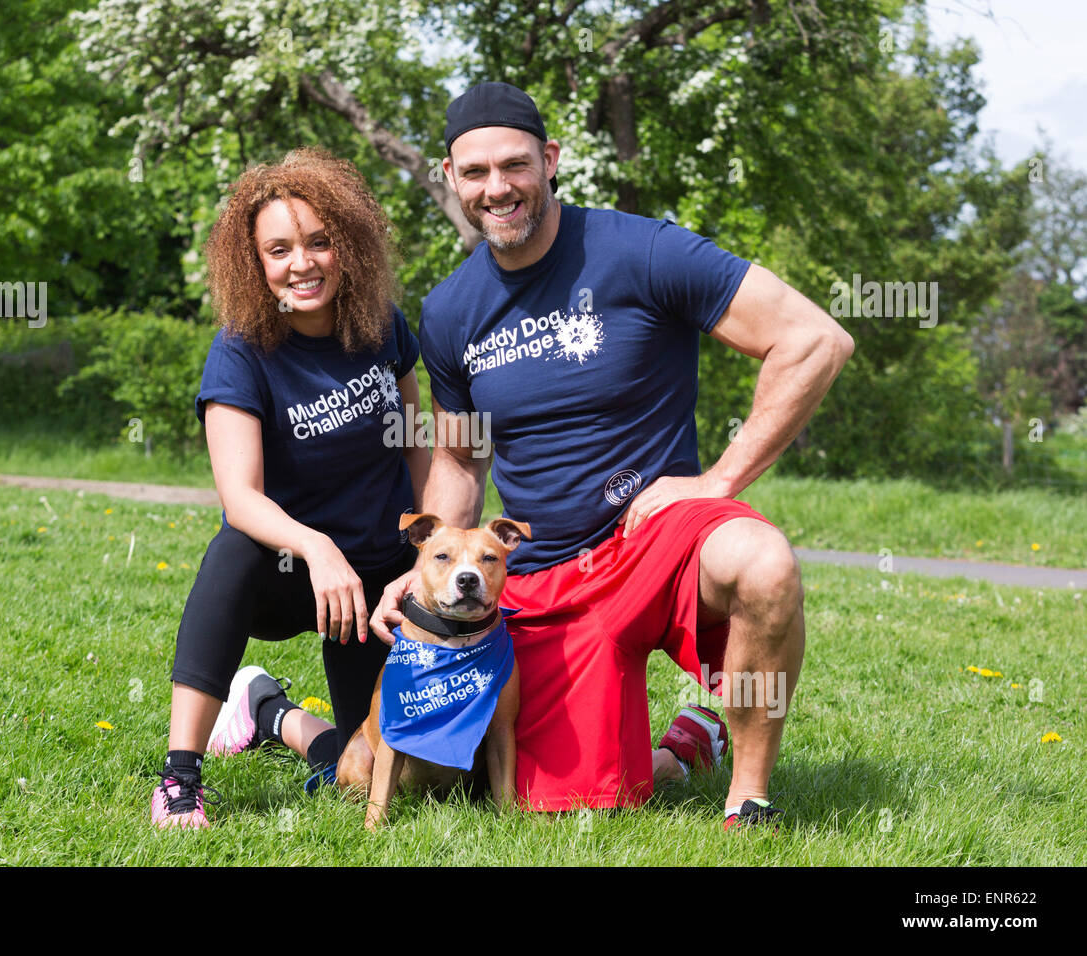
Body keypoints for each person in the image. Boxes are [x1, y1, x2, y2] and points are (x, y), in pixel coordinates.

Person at [370, 82, 854, 829]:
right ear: (449, 177)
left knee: (765, 562)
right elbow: (463, 463)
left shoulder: (644, 250)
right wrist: (427, 560)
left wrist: (719, 479)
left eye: (515, 165)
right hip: (547, 573)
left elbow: (816, 339)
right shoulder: (450, 311)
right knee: (559, 805)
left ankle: (749, 799)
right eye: (474, 173)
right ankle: (686, 746)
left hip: (659, 538)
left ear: (551, 159)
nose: (496, 188)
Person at [152, 146, 429, 829]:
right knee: (234, 549)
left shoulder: (381, 326)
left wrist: (430, 546)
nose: (301, 263)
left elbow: (418, 442)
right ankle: (180, 778)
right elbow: (239, 496)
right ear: (255, 263)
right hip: (290, 573)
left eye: (318, 242)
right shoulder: (241, 350)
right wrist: (317, 549)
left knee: (368, 775)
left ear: (348, 245)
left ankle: (270, 712)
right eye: (278, 249)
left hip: (377, 581)